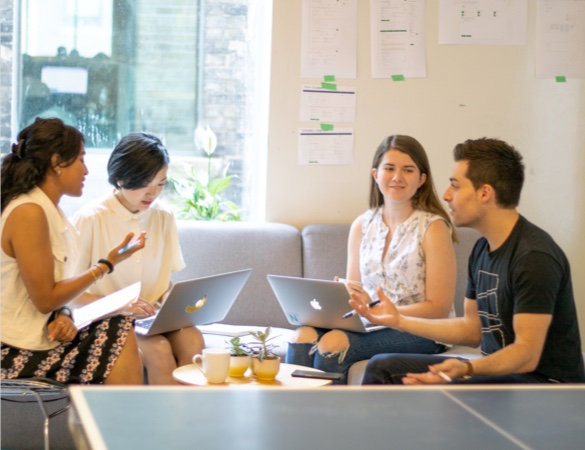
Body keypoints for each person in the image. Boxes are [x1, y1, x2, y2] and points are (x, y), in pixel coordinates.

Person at [354, 137, 585, 384]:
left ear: (484, 193)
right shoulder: (482, 248)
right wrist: (399, 321)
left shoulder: (534, 258)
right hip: (502, 375)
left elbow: (526, 355)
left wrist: (467, 370)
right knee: (382, 367)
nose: (445, 195)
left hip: (544, 387)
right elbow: (472, 330)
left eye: (455, 186)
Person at [285, 134, 457, 384]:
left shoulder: (434, 228)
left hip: (421, 329)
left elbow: (439, 308)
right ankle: (290, 420)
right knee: (301, 336)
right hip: (370, 323)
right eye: (389, 168)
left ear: (421, 179)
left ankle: (328, 422)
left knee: (334, 343)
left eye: (408, 170)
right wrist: (341, 295)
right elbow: (353, 293)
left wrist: (377, 310)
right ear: (376, 174)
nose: (397, 177)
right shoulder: (362, 225)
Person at [1, 117, 144, 384]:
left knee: (117, 326)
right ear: (57, 163)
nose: (86, 171)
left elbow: (49, 298)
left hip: (38, 337)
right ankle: (126, 425)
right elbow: (45, 299)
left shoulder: (47, 210)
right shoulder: (28, 213)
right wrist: (105, 266)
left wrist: (65, 315)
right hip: (11, 350)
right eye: (81, 159)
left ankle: (119, 424)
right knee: (117, 330)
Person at [72, 132, 205, 385]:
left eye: (160, 183)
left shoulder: (163, 217)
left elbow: (165, 282)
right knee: (159, 350)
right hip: (108, 318)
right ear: (121, 177)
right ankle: (163, 425)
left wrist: (176, 305)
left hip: (153, 318)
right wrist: (121, 307)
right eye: (145, 182)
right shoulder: (90, 219)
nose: (152, 193)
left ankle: (193, 419)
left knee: (193, 340)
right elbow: (71, 294)